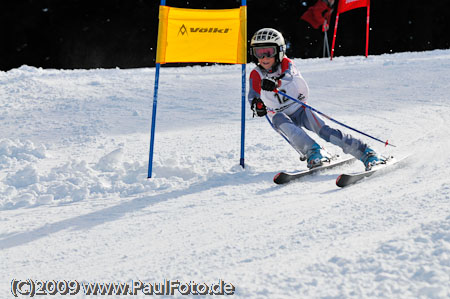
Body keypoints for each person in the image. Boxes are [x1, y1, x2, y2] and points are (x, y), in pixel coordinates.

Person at [248, 28, 382, 170]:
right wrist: (258, 106)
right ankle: (315, 152)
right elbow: (253, 96)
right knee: (285, 124)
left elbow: (289, 76)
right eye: (259, 53)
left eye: (268, 52)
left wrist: (276, 82)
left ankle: (366, 152)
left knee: (325, 131)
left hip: (300, 109)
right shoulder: (256, 74)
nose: (264, 58)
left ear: (279, 51)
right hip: (278, 114)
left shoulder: (287, 64)